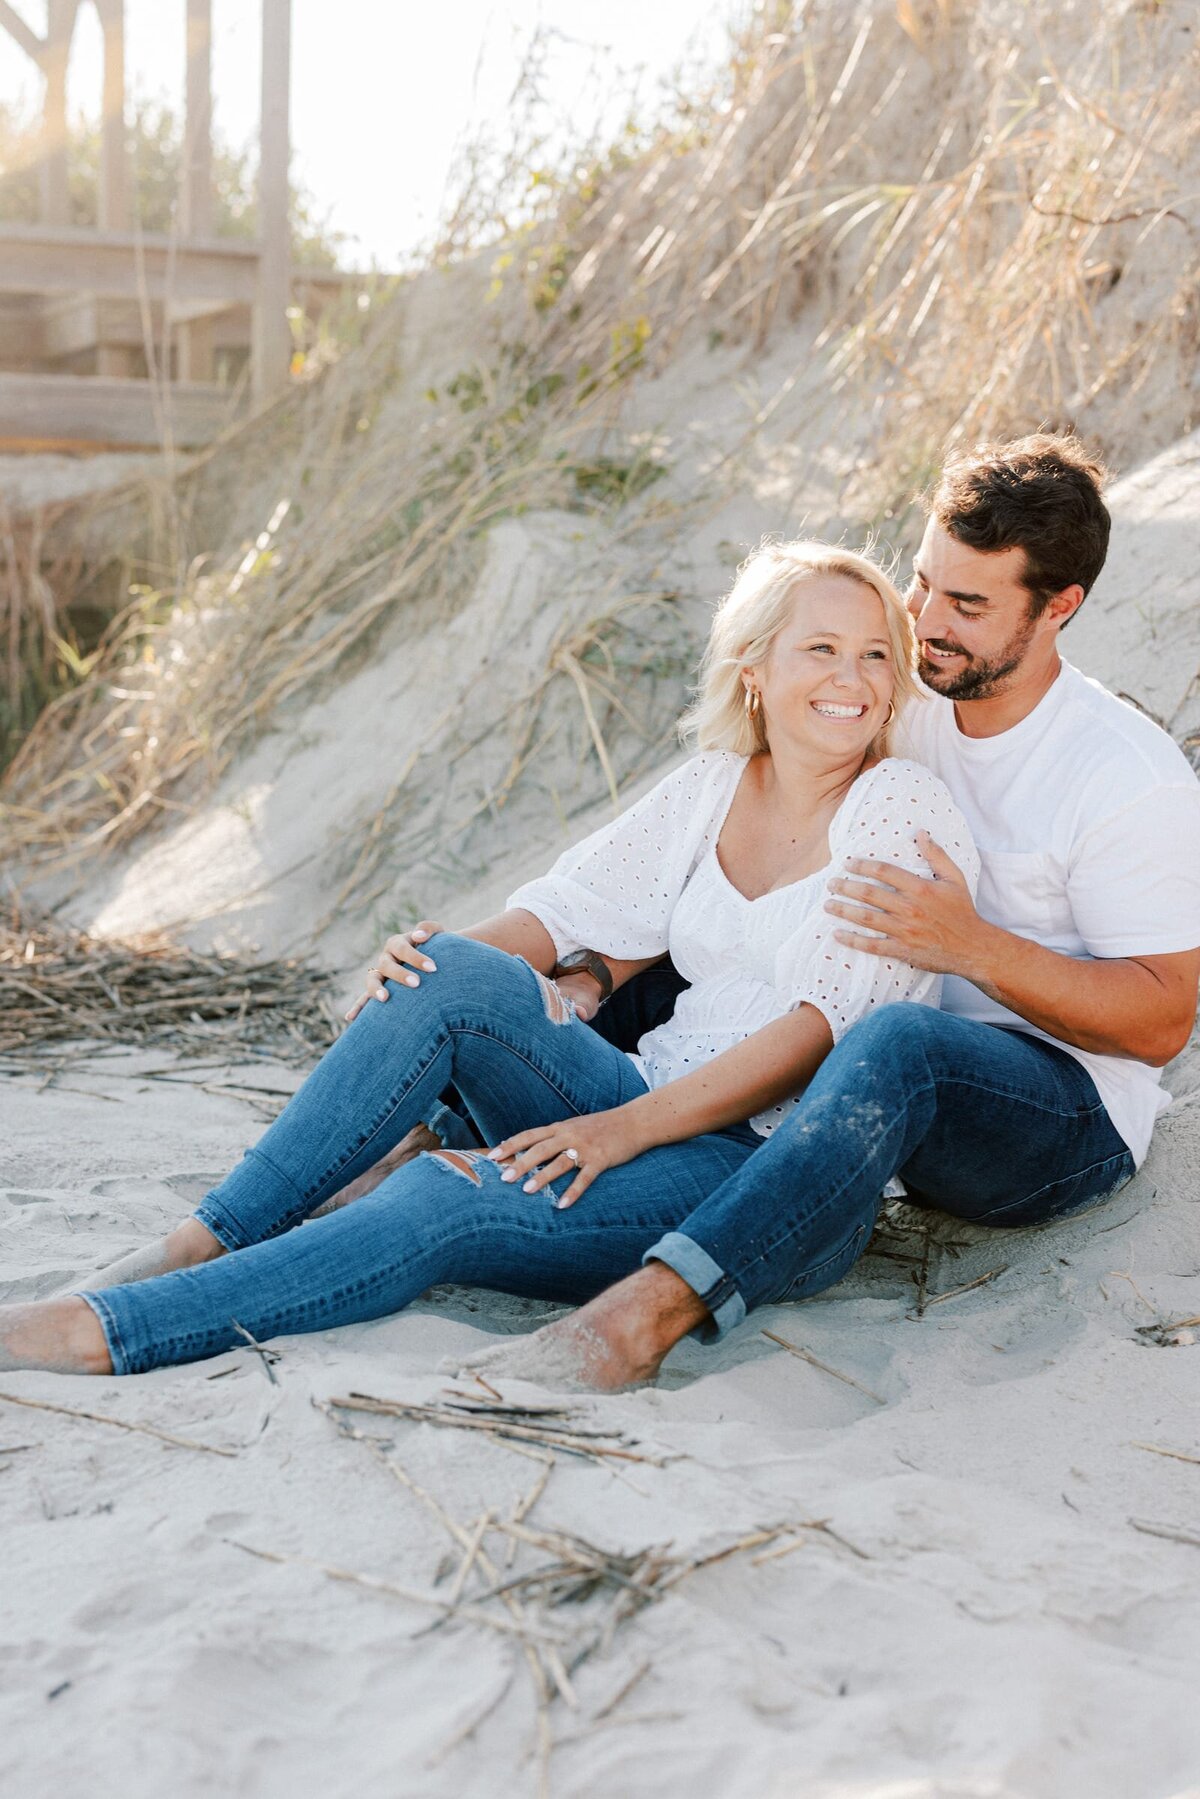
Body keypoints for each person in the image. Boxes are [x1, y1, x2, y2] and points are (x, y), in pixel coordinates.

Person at [0, 542, 979, 1377]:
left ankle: (108, 1332)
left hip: (750, 1171)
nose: (852, 680)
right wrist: (423, 961)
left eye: (875, 656)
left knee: (441, 1193)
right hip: (637, 1094)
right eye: (822, 648)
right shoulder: (717, 783)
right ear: (756, 666)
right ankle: (201, 1239)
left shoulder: (899, 807)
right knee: (453, 969)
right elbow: (559, 913)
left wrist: (620, 1131)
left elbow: (822, 1033)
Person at [458, 433, 1200, 1393]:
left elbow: (1162, 1021)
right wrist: (598, 971)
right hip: (860, 1039)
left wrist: (973, 947)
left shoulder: (1123, 775)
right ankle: (439, 1145)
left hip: (1052, 1109)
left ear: (1060, 607)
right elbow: (731, 866)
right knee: (713, 962)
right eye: (925, 583)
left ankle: (651, 1312)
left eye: (968, 604)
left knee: (895, 1039)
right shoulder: (899, 688)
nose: (926, 621)